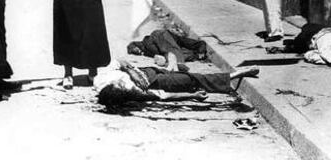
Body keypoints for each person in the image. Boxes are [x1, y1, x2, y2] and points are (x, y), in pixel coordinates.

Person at [95, 58, 260, 107]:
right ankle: (237, 74)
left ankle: (171, 66)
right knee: (190, 80)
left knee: (180, 71)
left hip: (144, 71)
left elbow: (118, 60)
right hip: (155, 81)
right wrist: (191, 96)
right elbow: (164, 97)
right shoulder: (130, 93)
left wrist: (131, 71)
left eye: (121, 85)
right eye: (124, 89)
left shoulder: (100, 79)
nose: (125, 86)